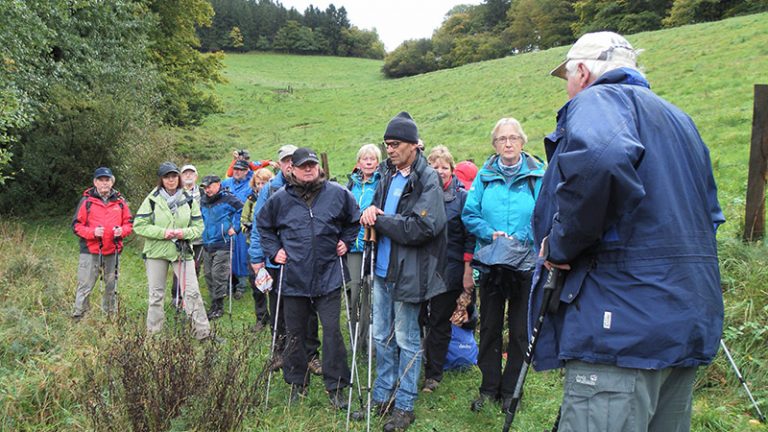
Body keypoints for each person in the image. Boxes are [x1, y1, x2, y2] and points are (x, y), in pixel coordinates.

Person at [531, 31, 724, 432]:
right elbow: (710, 214)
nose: (567, 89)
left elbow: (602, 160)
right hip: (682, 322)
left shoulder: (599, 100)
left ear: (582, 72)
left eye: (566, 78)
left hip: (620, 329)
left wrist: (561, 244)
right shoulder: (679, 119)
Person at [360, 112, 447, 432]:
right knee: (381, 336)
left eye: (394, 144)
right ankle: (383, 396)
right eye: (386, 145)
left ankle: (405, 405)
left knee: (407, 339)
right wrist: (370, 211)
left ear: (413, 144)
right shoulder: (386, 174)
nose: (389, 150)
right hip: (381, 270)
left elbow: (424, 226)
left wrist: (380, 220)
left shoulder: (427, 179)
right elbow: (376, 210)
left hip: (409, 273)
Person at [257, 147, 360, 409]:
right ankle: (297, 383)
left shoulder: (338, 194)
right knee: (294, 334)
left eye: (312, 165)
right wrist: (273, 250)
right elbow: (264, 226)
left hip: (329, 275)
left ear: (318, 167)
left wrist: (346, 242)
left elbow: (354, 220)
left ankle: (336, 386)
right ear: (292, 168)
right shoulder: (279, 199)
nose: (308, 169)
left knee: (333, 332)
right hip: (293, 277)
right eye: (303, 165)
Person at [461, 118, 544, 412]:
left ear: (522, 141)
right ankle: (488, 388)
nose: (508, 144)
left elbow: (545, 215)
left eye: (513, 138)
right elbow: (469, 214)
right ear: (494, 145)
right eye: (501, 139)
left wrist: (519, 240)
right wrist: (490, 234)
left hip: (525, 265)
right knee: (490, 327)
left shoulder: (538, 175)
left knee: (521, 330)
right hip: (492, 265)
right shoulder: (484, 176)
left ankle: (512, 391)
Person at [249, 145, 322, 375]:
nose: (290, 164)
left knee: (309, 311)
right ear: (279, 164)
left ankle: (311, 355)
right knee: (278, 309)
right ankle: (280, 352)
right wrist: (256, 257)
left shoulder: (313, 188)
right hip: (276, 262)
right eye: (285, 160)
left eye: (293, 159)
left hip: (304, 261)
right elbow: (258, 225)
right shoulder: (270, 189)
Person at [133, 162, 211, 340]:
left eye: (174, 176)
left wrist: (184, 233)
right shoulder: (152, 199)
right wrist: (163, 233)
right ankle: (153, 334)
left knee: (192, 292)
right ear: (161, 179)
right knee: (155, 295)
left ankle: (203, 333)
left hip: (181, 251)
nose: (171, 180)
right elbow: (139, 226)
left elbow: (199, 227)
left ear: (179, 177)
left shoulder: (189, 199)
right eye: (167, 176)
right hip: (156, 252)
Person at [421, 145, 475, 393]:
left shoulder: (462, 198)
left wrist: (467, 271)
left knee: (440, 321)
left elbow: (469, 237)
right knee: (419, 317)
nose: (440, 171)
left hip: (450, 268)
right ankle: (417, 363)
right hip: (421, 267)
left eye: (445, 167)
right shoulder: (420, 194)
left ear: (452, 170)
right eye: (435, 166)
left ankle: (434, 375)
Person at [71, 167, 133, 319]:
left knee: (111, 286)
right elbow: (76, 226)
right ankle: (80, 316)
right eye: (101, 180)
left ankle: (109, 317)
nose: (104, 183)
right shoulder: (86, 202)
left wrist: (122, 231)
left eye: (107, 180)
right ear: (95, 182)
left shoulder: (120, 202)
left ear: (112, 182)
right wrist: (92, 233)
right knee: (85, 285)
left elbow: (129, 224)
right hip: (90, 251)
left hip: (113, 251)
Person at [345, 143, 382, 356]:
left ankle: (368, 340)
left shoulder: (381, 184)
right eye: (364, 159)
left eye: (373, 159)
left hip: (372, 244)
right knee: (353, 292)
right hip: (353, 247)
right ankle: (354, 338)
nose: (368, 162)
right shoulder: (351, 185)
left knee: (369, 294)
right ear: (358, 162)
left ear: (377, 163)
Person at [199, 174, 243, 320]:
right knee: (208, 274)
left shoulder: (229, 199)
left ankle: (218, 307)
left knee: (219, 274)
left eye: (209, 186)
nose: (207, 190)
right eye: (204, 187)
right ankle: (214, 302)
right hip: (206, 242)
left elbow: (242, 210)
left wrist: (235, 227)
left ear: (218, 184)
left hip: (223, 242)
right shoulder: (203, 201)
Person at [241, 167, 274, 329]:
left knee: (274, 282)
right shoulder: (251, 200)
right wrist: (247, 227)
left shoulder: (276, 197)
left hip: (272, 246)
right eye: (258, 183)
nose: (261, 186)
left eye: (264, 183)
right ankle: (261, 317)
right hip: (253, 244)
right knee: (256, 284)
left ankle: (276, 316)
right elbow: (243, 219)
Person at [171, 164, 204, 306]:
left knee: (195, 267)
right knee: (178, 266)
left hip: (199, 238)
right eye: (185, 174)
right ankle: (176, 296)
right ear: (181, 177)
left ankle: (190, 296)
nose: (188, 176)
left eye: (191, 173)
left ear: (196, 176)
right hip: (181, 237)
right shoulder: (175, 194)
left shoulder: (203, 192)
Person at [222, 160, 252, 298]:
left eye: (240, 169)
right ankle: (229, 282)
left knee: (242, 253)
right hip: (226, 222)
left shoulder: (251, 184)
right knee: (227, 253)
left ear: (246, 171)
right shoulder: (226, 183)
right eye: (235, 169)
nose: (237, 171)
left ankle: (242, 284)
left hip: (242, 223)